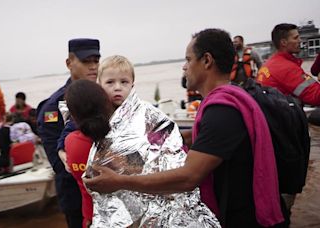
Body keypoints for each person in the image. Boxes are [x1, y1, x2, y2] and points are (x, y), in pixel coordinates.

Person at [84, 29, 287, 227]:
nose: (184, 67)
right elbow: (203, 140)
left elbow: (188, 178)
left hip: (243, 218)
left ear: (206, 61)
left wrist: (119, 181)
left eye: (188, 60)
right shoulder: (228, 99)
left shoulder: (222, 112)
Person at [82, 56, 219, 227]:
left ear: (132, 84)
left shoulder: (148, 115)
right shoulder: (98, 117)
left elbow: (169, 145)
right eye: (110, 82)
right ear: (99, 85)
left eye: (124, 82)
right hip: (116, 203)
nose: (118, 87)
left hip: (152, 196)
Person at [36, 38, 100, 228]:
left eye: (96, 60)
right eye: (86, 61)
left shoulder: (106, 96)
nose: (93, 67)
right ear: (69, 63)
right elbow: (59, 162)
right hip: (76, 197)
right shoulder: (53, 108)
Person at [64, 80, 113, 228]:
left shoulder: (70, 142)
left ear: (72, 114)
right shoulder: (117, 140)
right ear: (106, 105)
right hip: (122, 218)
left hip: (91, 218)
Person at [257, 23, 320, 106]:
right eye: (295, 38)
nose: (300, 40)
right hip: (283, 116)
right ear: (284, 42)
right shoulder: (287, 68)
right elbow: (316, 96)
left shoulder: (269, 63)